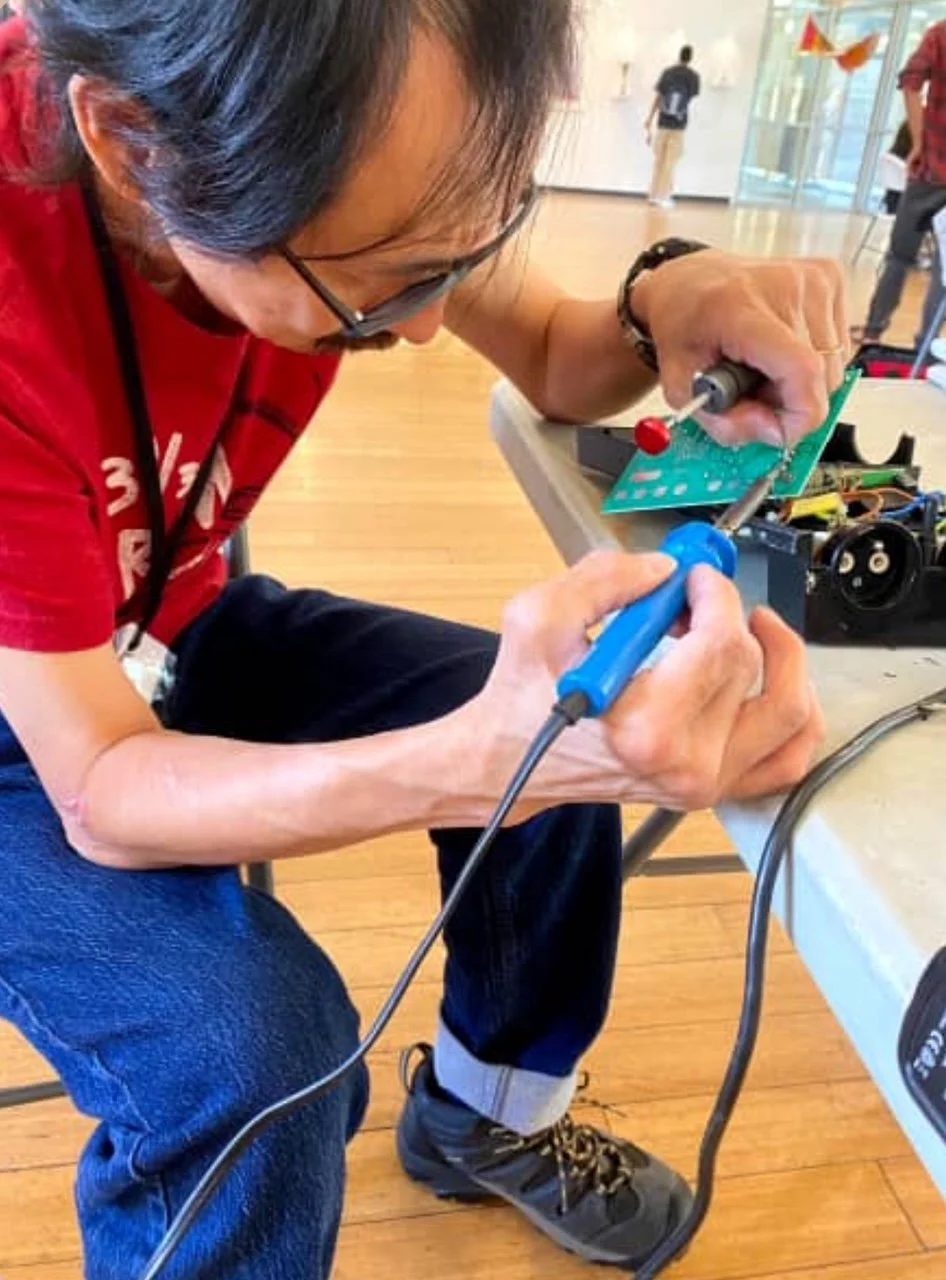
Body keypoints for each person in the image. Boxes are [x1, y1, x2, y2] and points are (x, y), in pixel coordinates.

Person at [0, 3, 845, 1277]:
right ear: (132, 145)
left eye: (467, 251)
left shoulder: (356, 119)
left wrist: (667, 292)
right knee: (250, 1052)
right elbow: (105, 792)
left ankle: (482, 1120)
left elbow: (560, 355)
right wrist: (491, 753)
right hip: (41, 718)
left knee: (548, 762)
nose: (425, 331)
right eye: (390, 280)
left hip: (156, 614)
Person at [858, 19, 946, 346]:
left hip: (930, 171)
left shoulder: (940, 34)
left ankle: (873, 331)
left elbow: (911, 81)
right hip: (932, 170)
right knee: (944, 268)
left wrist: (920, 142)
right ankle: (927, 345)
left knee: (899, 256)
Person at [645, 45, 700, 209]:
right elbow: (691, 98)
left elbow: (659, 97)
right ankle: (664, 196)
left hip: (662, 123)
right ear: (690, 58)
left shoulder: (668, 73)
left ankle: (653, 195)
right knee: (671, 162)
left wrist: (649, 118)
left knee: (659, 160)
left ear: (679, 56)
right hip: (679, 124)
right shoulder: (693, 77)